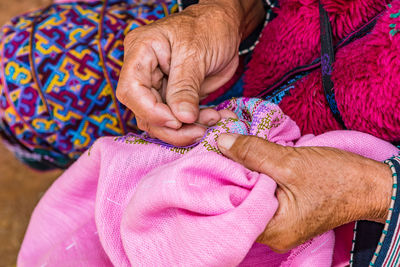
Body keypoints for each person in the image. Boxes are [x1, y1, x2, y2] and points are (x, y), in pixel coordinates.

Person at [1, 0, 399, 265]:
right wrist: (224, 12)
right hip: (238, 56)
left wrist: (376, 192)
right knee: (20, 76)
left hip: (358, 203)